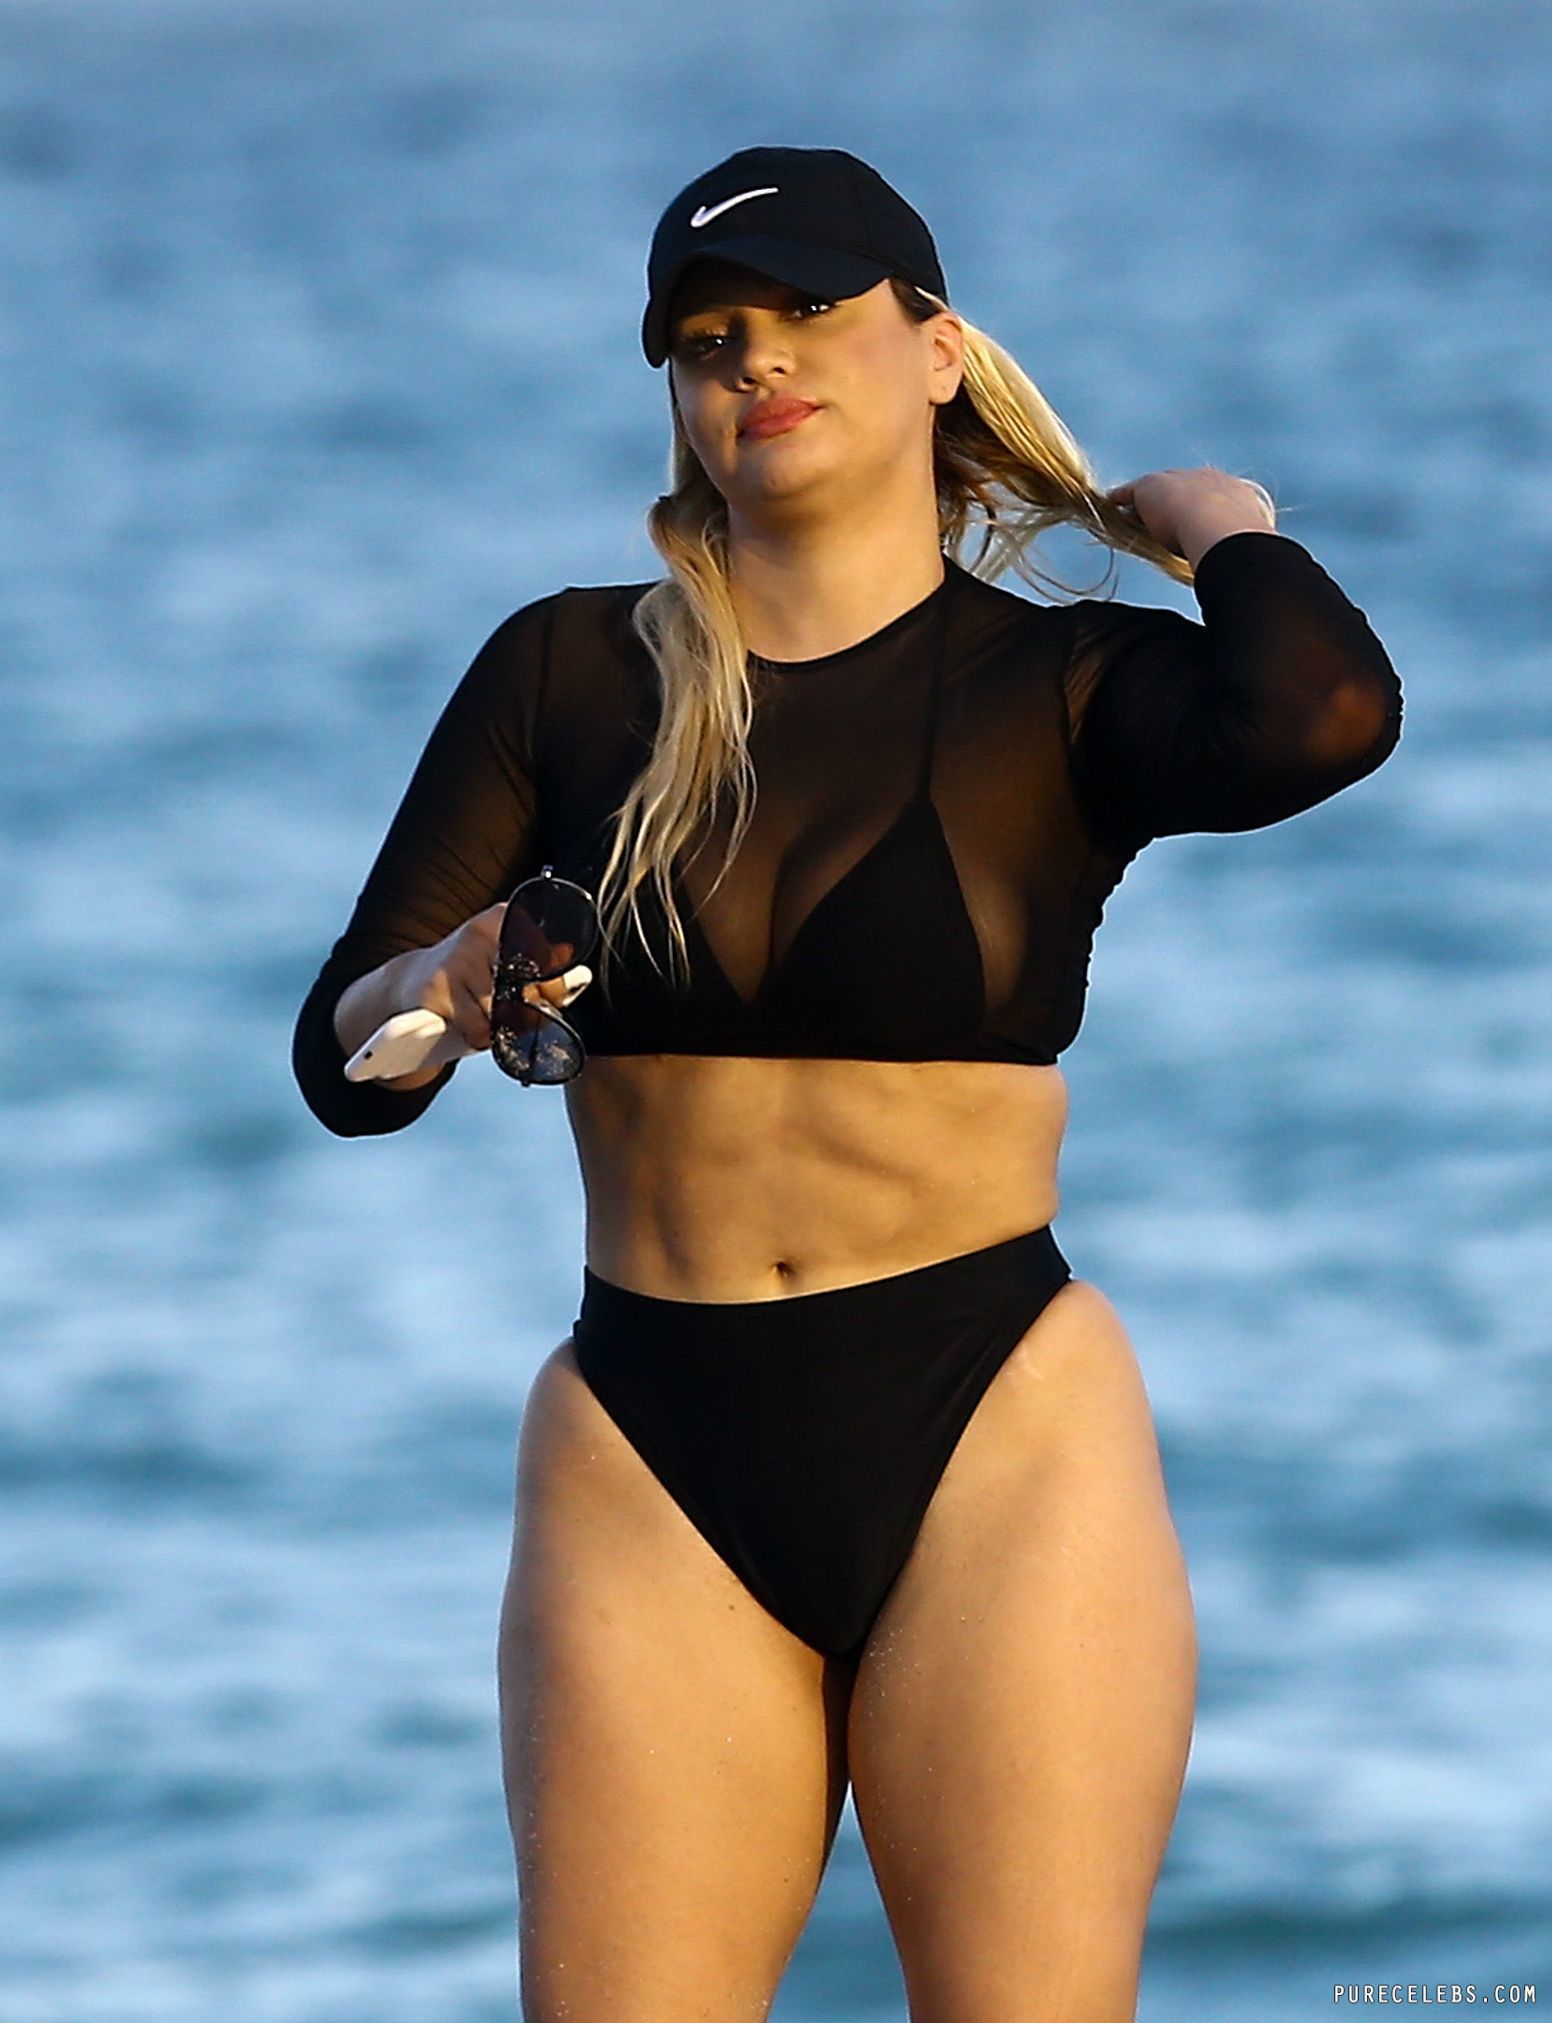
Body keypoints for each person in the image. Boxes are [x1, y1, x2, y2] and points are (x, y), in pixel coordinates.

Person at [292, 144, 1403, 2021]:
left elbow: (1325, 713)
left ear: (939, 348)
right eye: (708, 339)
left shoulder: (1061, 689)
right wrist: (444, 983)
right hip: (647, 1453)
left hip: (996, 1436)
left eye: (811, 309)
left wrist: (1223, 530)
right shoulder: (567, 674)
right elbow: (346, 1060)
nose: (759, 360)